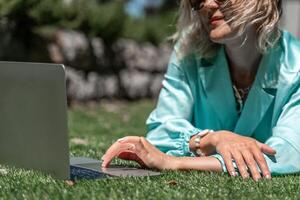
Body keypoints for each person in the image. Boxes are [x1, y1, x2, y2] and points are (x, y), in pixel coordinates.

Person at [102, 0, 300, 181]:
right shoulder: (189, 51)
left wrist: (175, 163)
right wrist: (212, 139)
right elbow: (161, 131)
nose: (207, 4)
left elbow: (288, 152)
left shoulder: (295, 65)